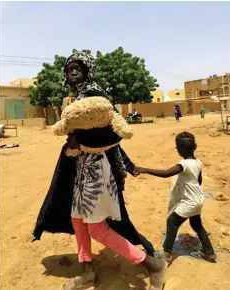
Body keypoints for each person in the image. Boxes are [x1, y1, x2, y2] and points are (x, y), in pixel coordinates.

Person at [32, 51, 167, 290]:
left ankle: (152, 264)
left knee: (96, 228)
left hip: (97, 168)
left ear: (88, 70)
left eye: (78, 68)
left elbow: (112, 133)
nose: (73, 71)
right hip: (82, 167)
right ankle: (88, 270)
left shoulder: (95, 93)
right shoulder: (75, 97)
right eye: (69, 68)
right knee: (77, 220)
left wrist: (83, 139)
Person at [135, 132, 217, 264]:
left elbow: (166, 173)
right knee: (197, 225)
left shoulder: (184, 164)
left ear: (181, 149)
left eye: (177, 147)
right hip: (197, 199)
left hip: (189, 202)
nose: (177, 149)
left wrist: (144, 169)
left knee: (172, 221)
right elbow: (199, 181)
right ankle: (210, 252)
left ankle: (167, 253)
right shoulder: (198, 162)